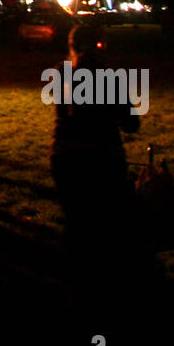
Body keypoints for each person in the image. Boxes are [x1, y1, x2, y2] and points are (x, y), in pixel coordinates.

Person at [49, 22, 141, 268]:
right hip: (103, 157)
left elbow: (63, 112)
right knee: (106, 227)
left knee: (76, 223)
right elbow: (131, 123)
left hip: (66, 156)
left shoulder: (62, 73)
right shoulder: (110, 78)